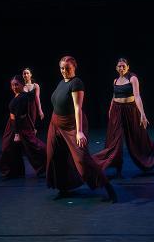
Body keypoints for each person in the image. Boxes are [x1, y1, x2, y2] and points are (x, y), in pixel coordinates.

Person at [46, 56, 117, 203]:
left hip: (72, 124)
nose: (64, 71)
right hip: (55, 123)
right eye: (62, 68)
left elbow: (78, 108)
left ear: (74, 67)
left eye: (67, 68)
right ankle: (63, 188)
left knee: (82, 160)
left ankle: (108, 187)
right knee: (55, 155)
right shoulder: (61, 82)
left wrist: (79, 131)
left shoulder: (76, 83)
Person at [92, 58, 154, 178]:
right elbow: (114, 97)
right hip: (117, 110)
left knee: (139, 138)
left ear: (128, 67)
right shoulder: (115, 81)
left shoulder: (132, 78)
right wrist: (110, 110)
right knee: (114, 141)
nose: (121, 68)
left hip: (130, 109)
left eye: (124, 66)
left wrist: (142, 114)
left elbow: (137, 96)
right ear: (116, 68)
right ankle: (117, 168)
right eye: (119, 66)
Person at [0, 75, 46, 179]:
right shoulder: (18, 95)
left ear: (22, 85)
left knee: (33, 146)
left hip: (18, 126)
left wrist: (16, 133)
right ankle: (15, 171)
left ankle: (49, 163)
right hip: (12, 125)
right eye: (12, 85)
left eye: (16, 84)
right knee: (10, 147)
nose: (14, 87)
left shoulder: (23, 97)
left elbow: (20, 116)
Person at [22, 68, 44, 132]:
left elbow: (37, 98)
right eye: (24, 74)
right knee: (24, 126)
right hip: (23, 108)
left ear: (31, 75)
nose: (26, 75)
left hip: (32, 108)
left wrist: (40, 111)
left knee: (32, 126)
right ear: (22, 75)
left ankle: (32, 140)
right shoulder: (21, 86)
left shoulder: (35, 86)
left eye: (27, 73)